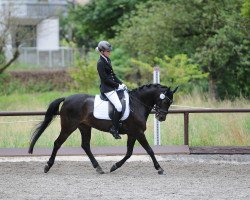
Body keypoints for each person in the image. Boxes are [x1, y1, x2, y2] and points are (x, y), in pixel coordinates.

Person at [96, 41, 127, 139]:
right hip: (107, 89)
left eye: (109, 51)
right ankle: (114, 128)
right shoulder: (100, 63)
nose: (109, 52)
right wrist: (117, 86)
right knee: (118, 107)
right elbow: (105, 79)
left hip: (113, 87)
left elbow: (113, 75)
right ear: (101, 51)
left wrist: (121, 83)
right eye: (107, 51)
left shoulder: (107, 60)